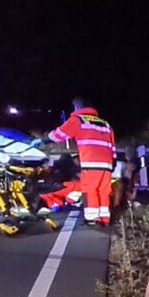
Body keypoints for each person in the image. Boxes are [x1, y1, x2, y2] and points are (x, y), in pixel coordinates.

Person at [32, 97, 115, 226]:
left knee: (90, 190)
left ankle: (92, 219)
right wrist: (112, 162)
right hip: (107, 164)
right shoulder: (105, 124)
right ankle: (105, 219)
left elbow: (59, 134)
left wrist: (43, 140)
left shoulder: (79, 120)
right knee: (103, 191)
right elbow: (112, 145)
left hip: (91, 163)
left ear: (77, 107)